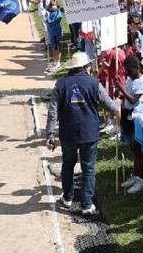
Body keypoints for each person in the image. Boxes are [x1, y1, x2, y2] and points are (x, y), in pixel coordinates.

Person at [44, 53, 108, 216]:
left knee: (68, 164)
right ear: (86, 67)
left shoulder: (60, 84)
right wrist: (118, 106)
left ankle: (67, 197)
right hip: (89, 133)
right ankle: (87, 204)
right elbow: (109, 104)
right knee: (88, 168)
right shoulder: (94, 84)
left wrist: (50, 134)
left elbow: (52, 112)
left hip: (68, 133)